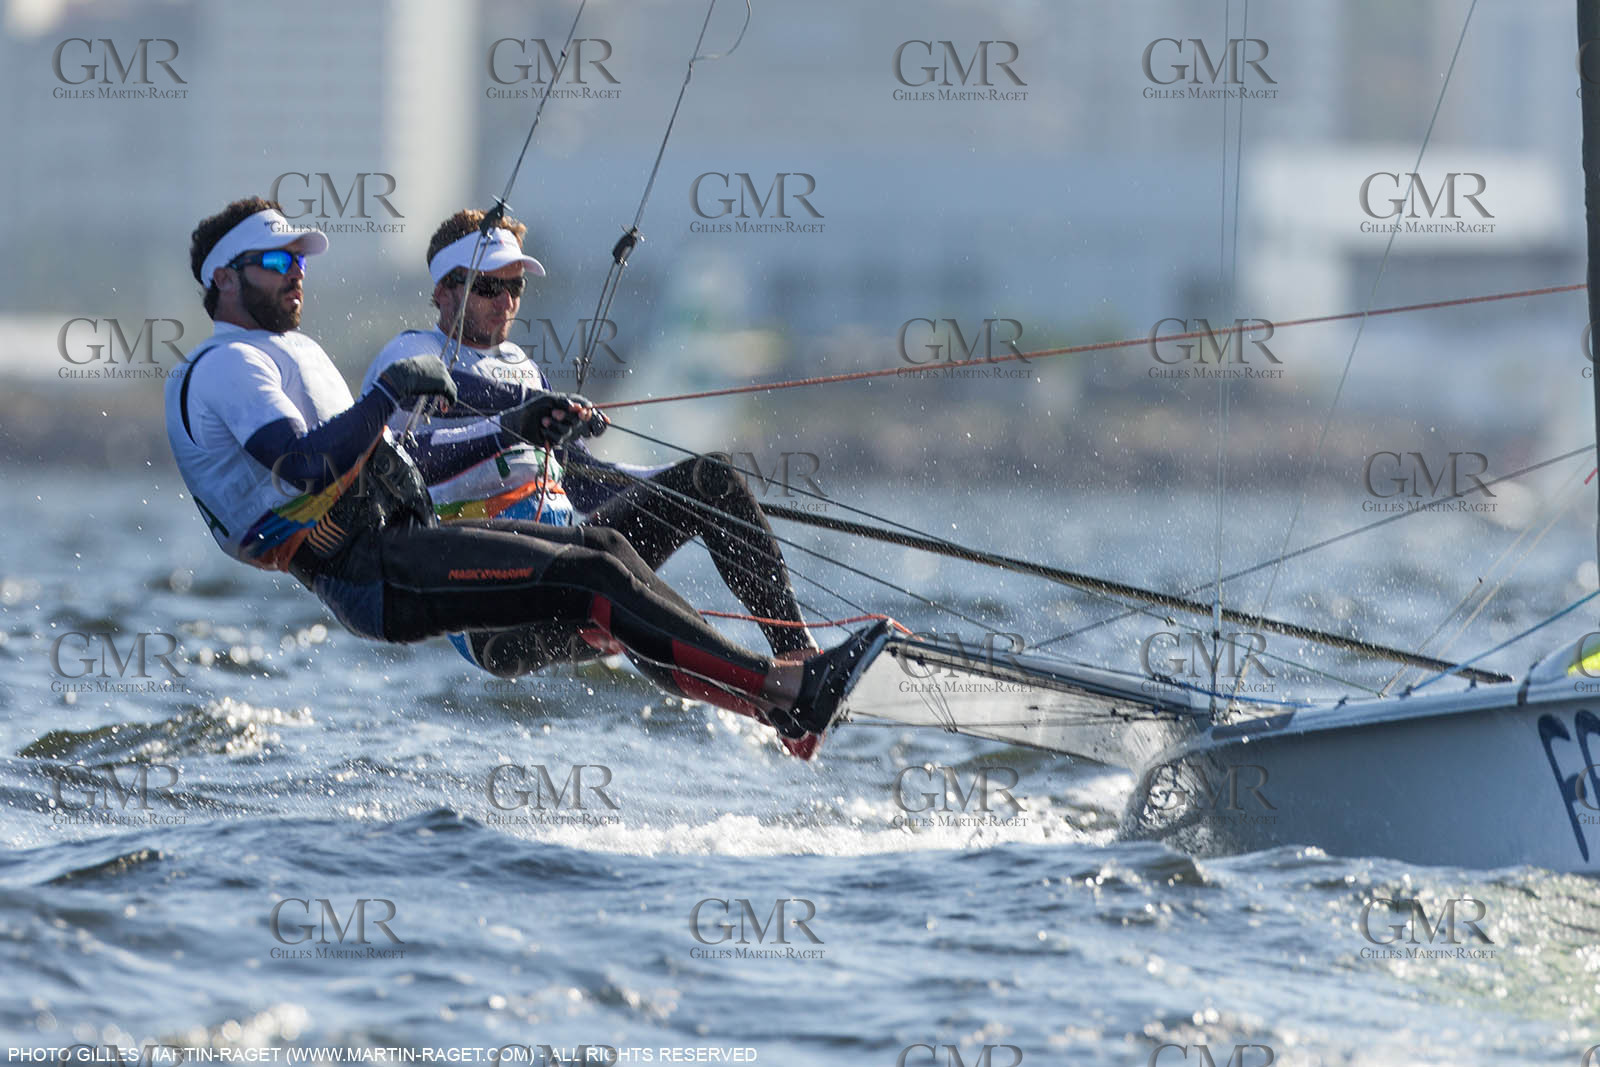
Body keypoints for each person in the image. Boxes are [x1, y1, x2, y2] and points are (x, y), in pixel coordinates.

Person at [163, 196, 887, 759]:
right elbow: (302, 464)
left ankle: (791, 680)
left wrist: (535, 411)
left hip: (397, 544)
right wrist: (404, 401)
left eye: (301, 265)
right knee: (595, 578)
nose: (296, 278)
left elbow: (447, 419)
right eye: (277, 264)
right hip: (371, 572)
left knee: (612, 551)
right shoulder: (229, 364)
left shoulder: (291, 353)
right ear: (224, 278)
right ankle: (784, 692)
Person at [361, 209, 820, 687]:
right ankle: (757, 678)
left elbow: (581, 482)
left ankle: (799, 665)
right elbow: (405, 459)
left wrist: (680, 489)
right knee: (606, 561)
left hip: (569, 580)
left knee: (712, 478)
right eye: (488, 288)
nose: (506, 303)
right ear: (443, 291)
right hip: (491, 613)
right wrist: (517, 422)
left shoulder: (523, 369)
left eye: (515, 287)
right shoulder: (412, 356)